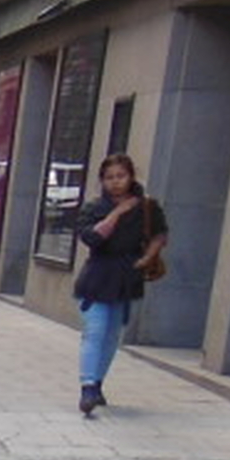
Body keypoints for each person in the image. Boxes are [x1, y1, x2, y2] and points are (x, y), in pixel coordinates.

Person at [70, 151, 163, 416]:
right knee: (95, 331)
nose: (116, 182)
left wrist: (147, 257)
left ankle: (98, 382)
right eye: (109, 177)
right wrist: (117, 213)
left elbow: (160, 234)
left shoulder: (147, 207)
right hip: (98, 277)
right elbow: (91, 238)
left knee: (112, 335)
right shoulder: (94, 208)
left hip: (127, 277)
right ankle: (87, 387)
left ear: (131, 176)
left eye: (121, 176)